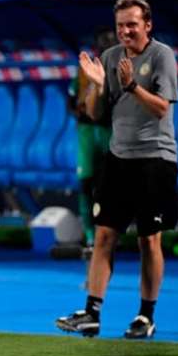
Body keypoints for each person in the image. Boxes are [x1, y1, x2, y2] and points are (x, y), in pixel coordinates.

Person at [57, 0, 178, 339]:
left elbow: (161, 110)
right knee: (104, 236)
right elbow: (95, 114)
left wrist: (131, 87)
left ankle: (145, 316)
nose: (125, 31)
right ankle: (92, 312)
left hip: (155, 159)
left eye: (132, 25)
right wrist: (97, 85)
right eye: (120, 25)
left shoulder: (162, 56)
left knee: (148, 241)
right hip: (118, 159)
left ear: (147, 25)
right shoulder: (110, 58)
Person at [67, 28, 115, 248]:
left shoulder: (123, 70)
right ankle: (90, 236)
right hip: (87, 133)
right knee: (86, 183)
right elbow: (70, 100)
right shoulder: (84, 72)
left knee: (108, 185)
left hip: (110, 131)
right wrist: (82, 109)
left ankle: (108, 233)